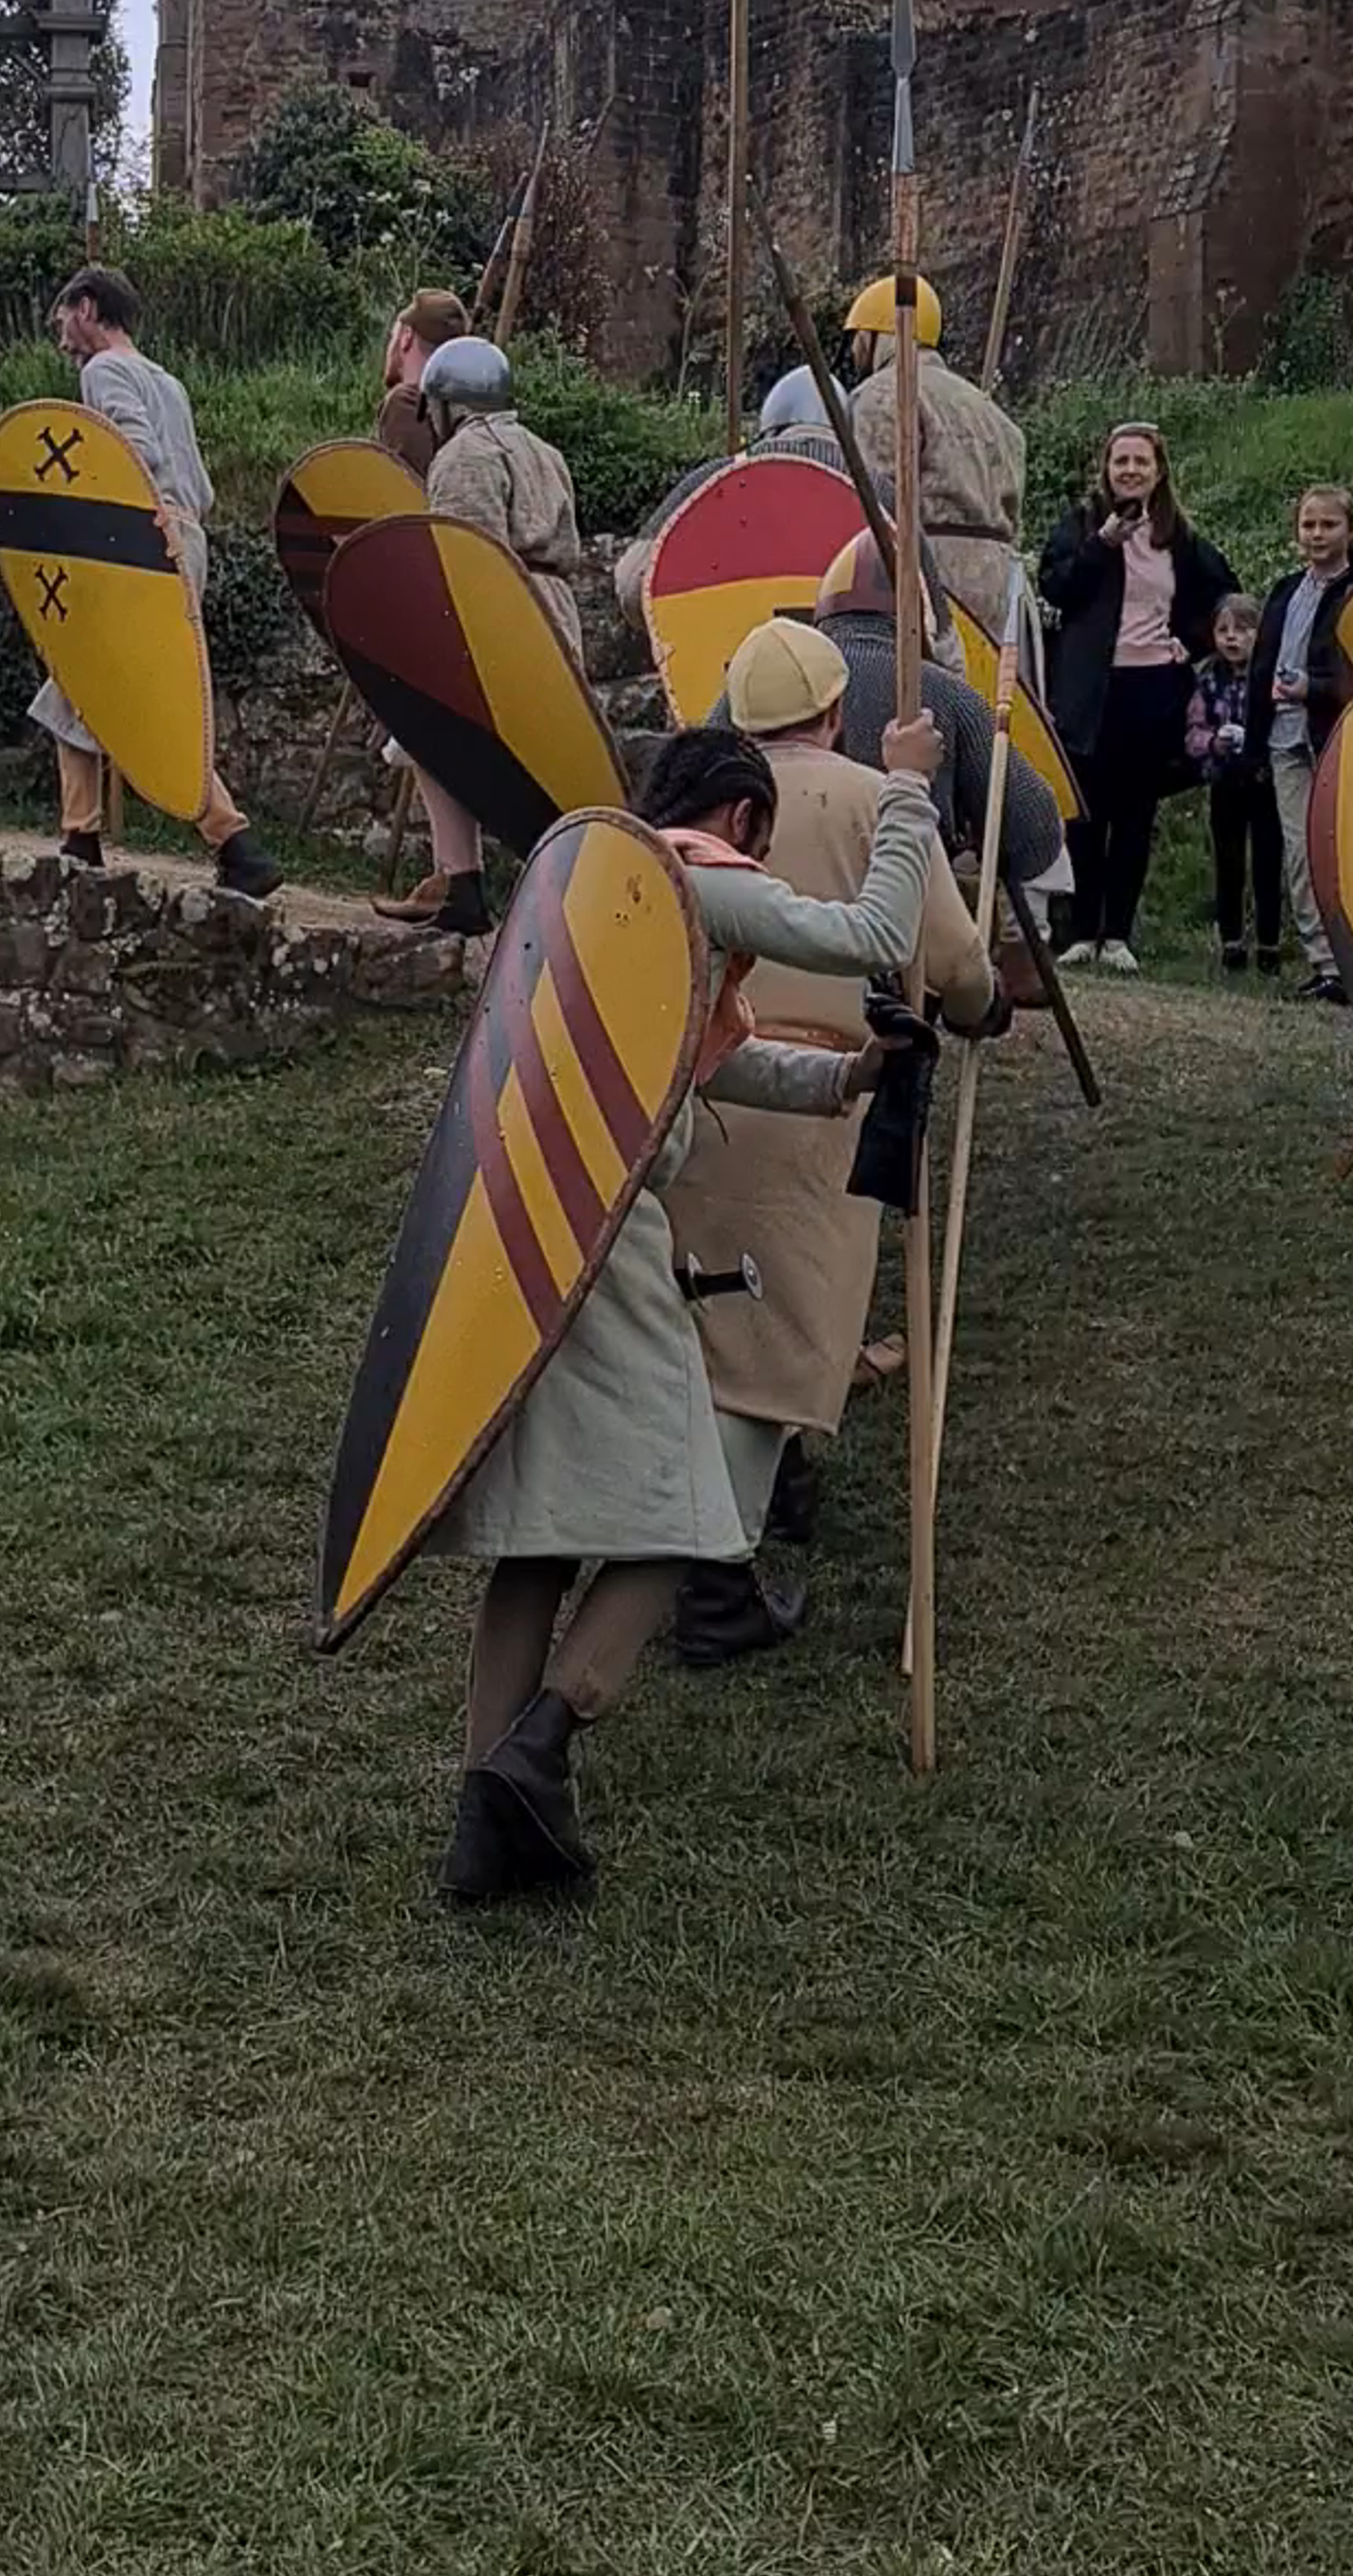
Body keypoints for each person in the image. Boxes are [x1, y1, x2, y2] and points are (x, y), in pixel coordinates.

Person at [439, 709, 945, 1905]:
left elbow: (709, 1056)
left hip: (519, 1224)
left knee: (538, 1538)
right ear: (741, 816)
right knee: (694, 1515)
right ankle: (543, 1742)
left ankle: (480, 1822)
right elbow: (872, 928)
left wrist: (850, 1077)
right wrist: (908, 791)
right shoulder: (700, 877)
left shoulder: (595, 891)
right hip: (610, 1231)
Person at [663, 618, 1002, 1660]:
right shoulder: (867, 799)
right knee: (786, 1338)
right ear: (836, 712)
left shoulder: (700, 817)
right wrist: (981, 1000)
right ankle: (716, 1577)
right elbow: (940, 956)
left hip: (708, 1090)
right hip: (816, 1093)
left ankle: (745, 1513)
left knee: (713, 1323)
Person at [37, 265, 281, 901]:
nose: (60, 334)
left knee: (114, 690)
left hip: (139, 540)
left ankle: (231, 840)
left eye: (63, 317)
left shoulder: (104, 372)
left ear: (87, 308)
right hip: (184, 534)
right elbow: (198, 483)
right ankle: (84, 834)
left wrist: (100, 526)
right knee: (94, 685)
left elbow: (132, 454)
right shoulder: (166, 379)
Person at [376, 334, 583, 940]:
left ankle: (463, 880)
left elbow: (469, 559)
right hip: (555, 610)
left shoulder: (467, 456)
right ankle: (508, 885)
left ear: (447, 403)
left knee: (430, 733)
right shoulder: (543, 450)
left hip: (506, 611)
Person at [1039, 423, 1236, 972]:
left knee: (1133, 813)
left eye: (1140, 462)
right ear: (1106, 469)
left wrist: (1193, 642)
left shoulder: (1181, 537)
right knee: (1083, 811)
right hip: (1089, 688)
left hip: (1152, 686)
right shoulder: (1081, 525)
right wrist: (1102, 544)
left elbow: (1225, 597)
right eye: (1120, 461)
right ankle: (1081, 929)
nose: (1129, 470)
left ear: (1159, 471)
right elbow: (1056, 586)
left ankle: (1118, 933)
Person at [814, 529, 1064, 901]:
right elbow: (1034, 833)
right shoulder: (945, 693)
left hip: (781, 920)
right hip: (910, 912)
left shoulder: (773, 680)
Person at [844, 273, 1027, 646]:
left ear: (878, 333)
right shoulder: (990, 410)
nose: (853, 350)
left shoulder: (881, 396)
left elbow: (874, 502)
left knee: (934, 696)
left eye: (858, 336)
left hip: (932, 575)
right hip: (1004, 581)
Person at [1243, 485, 1353, 999]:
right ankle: (1325, 964)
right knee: (1300, 853)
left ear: (1351, 530)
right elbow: (1260, 667)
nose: (1317, 534)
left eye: (1328, 525)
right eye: (1309, 525)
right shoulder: (1284, 590)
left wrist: (1313, 688)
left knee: (1344, 853)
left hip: (1338, 735)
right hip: (1284, 738)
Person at [609, 365, 850, 625]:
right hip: (854, 659)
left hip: (729, 659)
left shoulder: (712, 481)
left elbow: (634, 585)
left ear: (771, 425)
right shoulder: (880, 493)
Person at [1185, 590, 1281, 974]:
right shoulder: (1208, 679)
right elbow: (1192, 731)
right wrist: (1213, 742)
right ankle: (1232, 944)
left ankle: (1270, 946)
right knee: (1228, 862)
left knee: (1268, 864)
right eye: (1224, 630)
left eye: (1242, 630)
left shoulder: (1271, 678)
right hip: (1224, 781)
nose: (1232, 638)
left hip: (1265, 780)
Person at [374, 287, 470, 481]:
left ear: (406, 337)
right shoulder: (465, 407)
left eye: (393, 336)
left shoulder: (407, 403)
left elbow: (409, 495)